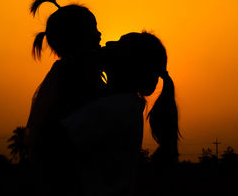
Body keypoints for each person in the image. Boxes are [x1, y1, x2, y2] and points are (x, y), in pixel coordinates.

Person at [62, 32, 180, 195]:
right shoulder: (124, 105)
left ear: (128, 65)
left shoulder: (115, 109)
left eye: (118, 45)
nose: (109, 43)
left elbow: (52, 143)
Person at [25, 0, 105, 195]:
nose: (99, 34)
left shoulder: (69, 70)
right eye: (93, 29)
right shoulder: (76, 71)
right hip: (69, 172)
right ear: (77, 37)